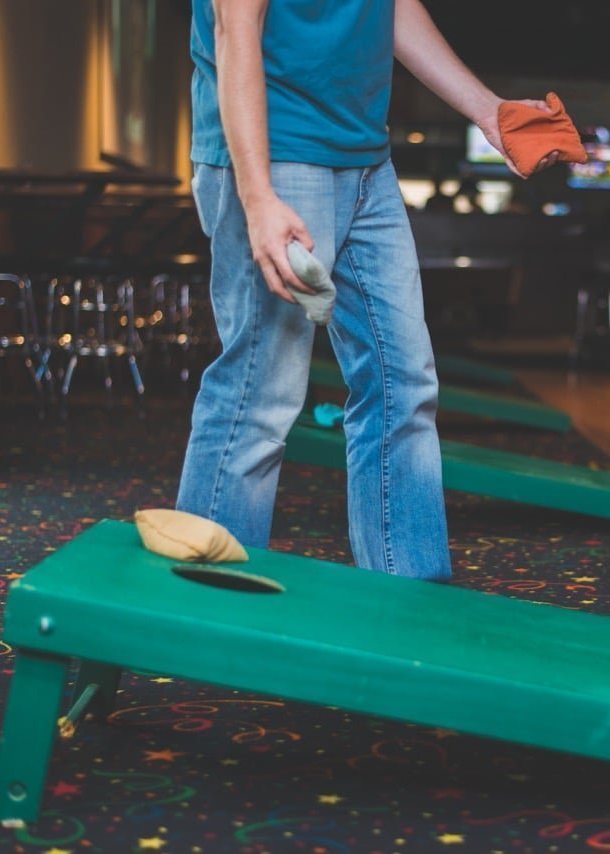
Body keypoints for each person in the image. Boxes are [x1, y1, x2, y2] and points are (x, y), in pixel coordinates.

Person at [177, 0, 558, 582]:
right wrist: (258, 198)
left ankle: (410, 594)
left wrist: (489, 113)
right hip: (278, 153)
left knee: (402, 379)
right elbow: (235, 28)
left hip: (364, 158)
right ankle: (205, 603)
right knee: (262, 388)